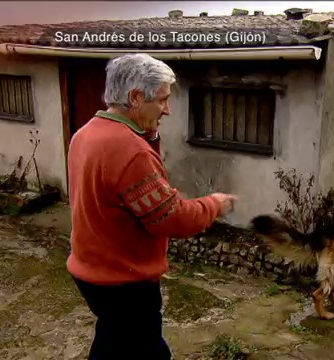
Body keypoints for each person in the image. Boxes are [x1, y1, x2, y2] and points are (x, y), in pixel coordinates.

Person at [66, 53, 238, 360]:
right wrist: (214, 204)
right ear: (135, 98)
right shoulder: (130, 150)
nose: (168, 110)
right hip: (124, 283)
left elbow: (129, 188)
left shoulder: (86, 134)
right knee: (147, 351)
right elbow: (172, 218)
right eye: (162, 100)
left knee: (113, 340)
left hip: (90, 272)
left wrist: (148, 136)